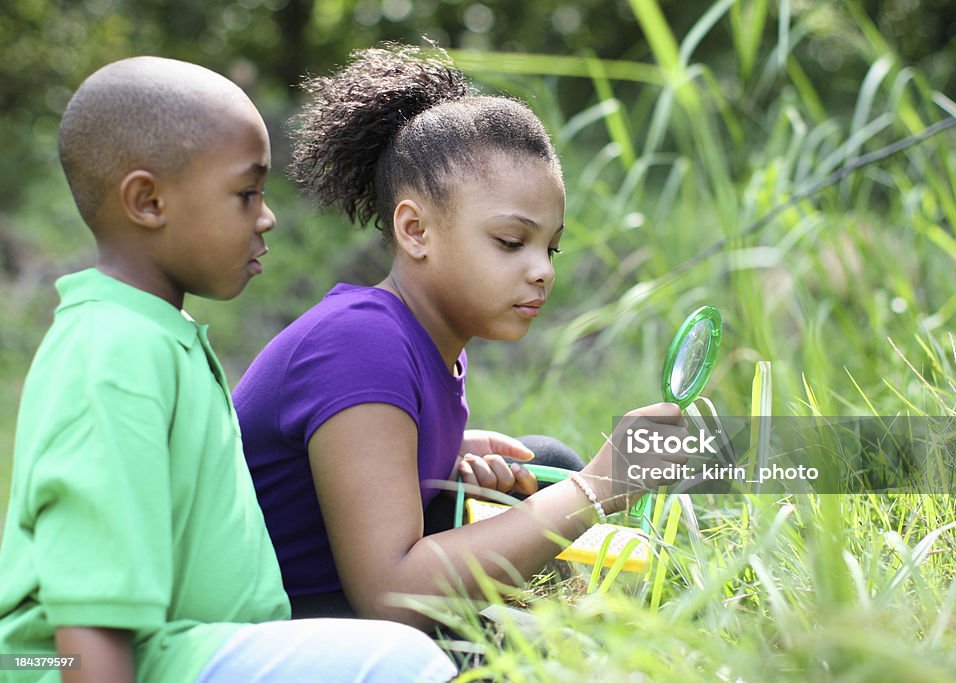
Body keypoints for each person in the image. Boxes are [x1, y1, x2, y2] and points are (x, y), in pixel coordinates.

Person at [0, 56, 456, 682]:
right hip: (113, 662)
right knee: (398, 661)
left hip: (194, 646)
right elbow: (87, 612)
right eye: (246, 194)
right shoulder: (112, 351)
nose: (266, 217)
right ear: (148, 200)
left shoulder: (164, 335)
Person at [233, 44, 684, 630]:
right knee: (550, 625)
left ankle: (580, 614)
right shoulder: (361, 341)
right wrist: (596, 488)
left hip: (346, 603)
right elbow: (392, 595)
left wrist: (436, 454)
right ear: (415, 229)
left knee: (540, 462)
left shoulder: (423, 342)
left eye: (551, 246)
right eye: (510, 242)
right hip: (287, 631)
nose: (542, 269)